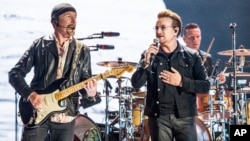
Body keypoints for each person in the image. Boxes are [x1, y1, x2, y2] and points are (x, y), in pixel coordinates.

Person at [8, 3, 98, 141]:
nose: (73, 21)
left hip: (66, 116)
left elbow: (84, 83)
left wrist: (91, 93)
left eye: (75, 17)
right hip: (37, 113)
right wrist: (30, 95)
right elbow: (15, 74)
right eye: (68, 17)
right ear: (55, 22)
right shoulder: (39, 45)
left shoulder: (82, 50)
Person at [131, 9, 210, 141]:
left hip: (184, 117)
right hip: (158, 118)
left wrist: (181, 82)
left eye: (163, 28)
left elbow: (205, 86)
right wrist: (146, 62)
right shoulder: (149, 55)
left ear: (175, 31)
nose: (158, 32)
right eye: (156, 28)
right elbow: (136, 83)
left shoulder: (191, 56)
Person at [182, 23, 229, 113]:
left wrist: (219, 80)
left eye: (198, 36)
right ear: (184, 39)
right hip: (185, 102)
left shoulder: (207, 57)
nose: (195, 40)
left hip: (203, 103)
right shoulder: (178, 57)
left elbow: (211, 80)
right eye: (191, 37)